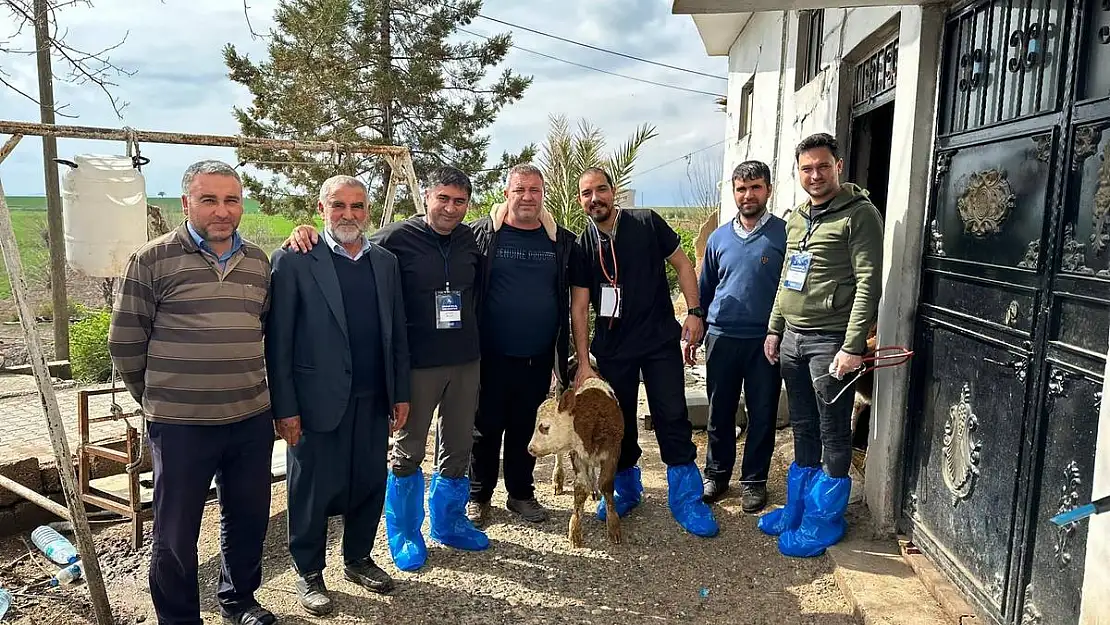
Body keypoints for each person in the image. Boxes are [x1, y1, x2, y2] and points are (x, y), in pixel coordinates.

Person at [284, 166, 488, 572]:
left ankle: (449, 523)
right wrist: (301, 231)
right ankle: (406, 532)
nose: (450, 208)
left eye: (459, 201)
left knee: (459, 445)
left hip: (465, 359)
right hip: (416, 364)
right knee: (407, 449)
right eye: (442, 198)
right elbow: (340, 246)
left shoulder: (472, 238)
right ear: (426, 196)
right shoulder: (394, 238)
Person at [108, 160, 277, 625]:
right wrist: (160, 397)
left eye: (231, 200)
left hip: (248, 418)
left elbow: (260, 330)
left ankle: (239, 600)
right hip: (181, 425)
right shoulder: (153, 259)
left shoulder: (258, 263)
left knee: (247, 519)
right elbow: (125, 341)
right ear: (186, 204)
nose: (222, 211)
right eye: (209, 200)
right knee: (176, 532)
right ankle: (180, 618)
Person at [265, 176, 410, 615]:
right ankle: (308, 572)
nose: (349, 215)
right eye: (339, 206)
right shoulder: (293, 260)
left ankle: (358, 558)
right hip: (316, 402)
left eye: (358, 206)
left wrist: (400, 392)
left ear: (368, 211)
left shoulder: (384, 262)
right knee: (310, 489)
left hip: (373, 397)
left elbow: (397, 333)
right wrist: (285, 408)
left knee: (369, 483)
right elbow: (278, 343)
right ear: (321, 207)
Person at [569, 167, 718, 538]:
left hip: (658, 343)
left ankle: (686, 499)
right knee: (618, 424)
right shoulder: (582, 245)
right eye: (587, 194)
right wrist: (585, 361)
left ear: (613, 191)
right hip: (614, 350)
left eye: (600, 190)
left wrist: (695, 312)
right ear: (579, 200)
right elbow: (580, 306)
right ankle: (625, 489)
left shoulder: (646, 222)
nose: (595, 199)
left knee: (672, 414)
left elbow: (683, 264)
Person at [759, 132, 884, 557]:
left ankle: (824, 520)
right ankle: (799, 508)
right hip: (793, 338)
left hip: (831, 341)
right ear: (798, 172)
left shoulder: (859, 215)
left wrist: (852, 345)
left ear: (838, 166)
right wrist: (775, 328)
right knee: (803, 425)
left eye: (822, 166)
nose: (814, 175)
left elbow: (869, 282)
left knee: (834, 429)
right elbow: (786, 278)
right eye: (806, 168)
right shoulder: (797, 218)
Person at [466, 163, 576, 525]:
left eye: (534, 190)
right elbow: (428, 237)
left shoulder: (560, 240)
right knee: (485, 426)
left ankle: (520, 494)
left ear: (542, 194)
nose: (527, 197)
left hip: (538, 355)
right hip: (490, 354)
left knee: (524, 427)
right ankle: (478, 495)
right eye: (519, 190)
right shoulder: (482, 235)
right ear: (506, 194)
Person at [689, 160, 786, 513]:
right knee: (720, 411)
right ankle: (716, 475)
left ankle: (754, 481)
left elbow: (789, 289)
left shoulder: (782, 234)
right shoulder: (718, 238)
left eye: (756, 187)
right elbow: (705, 290)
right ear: (733, 193)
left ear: (768, 190)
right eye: (741, 189)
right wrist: (696, 330)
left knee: (762, 412)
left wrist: (781, 330)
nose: (748, 195)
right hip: (723, 336)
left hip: (765, 340)